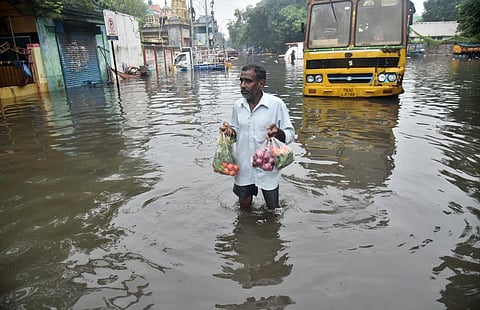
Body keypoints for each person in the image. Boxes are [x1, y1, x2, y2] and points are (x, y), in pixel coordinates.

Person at [220, 64, 295, 210]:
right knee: (244, 207)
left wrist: (277, 132)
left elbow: (290, 135)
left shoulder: (276, 105)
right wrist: (229, 131)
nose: (242, 85)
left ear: (261, 84)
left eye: (248, 81)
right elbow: (235, 133)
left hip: (267, 166)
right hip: (244, 165)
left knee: (273, 208)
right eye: (241, 81)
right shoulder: (238, 106)